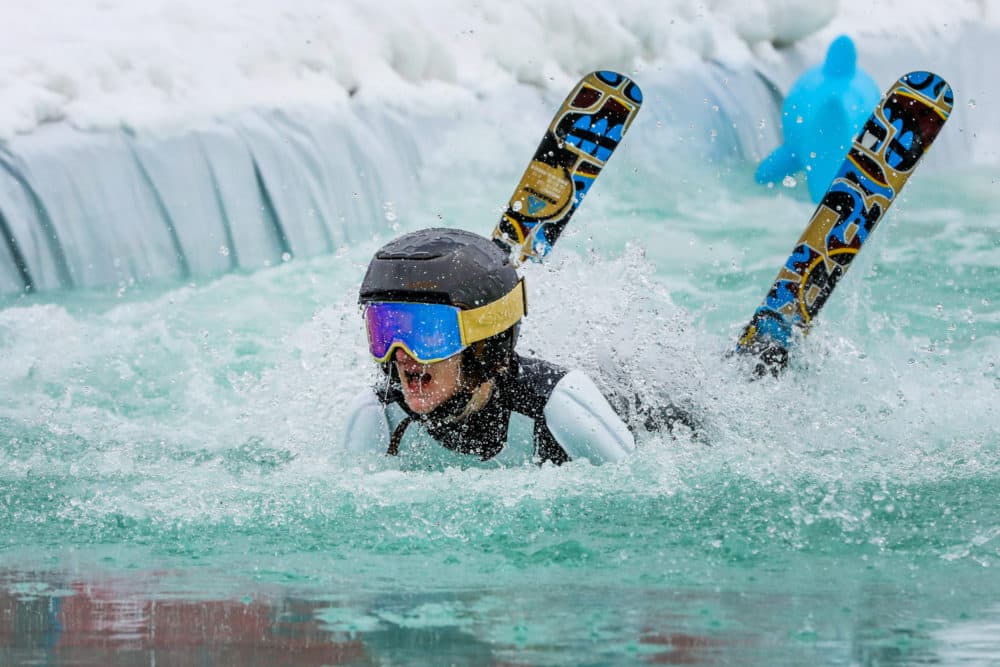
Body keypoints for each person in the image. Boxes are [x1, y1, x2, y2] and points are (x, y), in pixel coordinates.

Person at [341, 227, 638, 467]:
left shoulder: (558, 406)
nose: (402, 354)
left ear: (483, 346)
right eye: (385, 330)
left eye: (427, 334)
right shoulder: (376, 415)